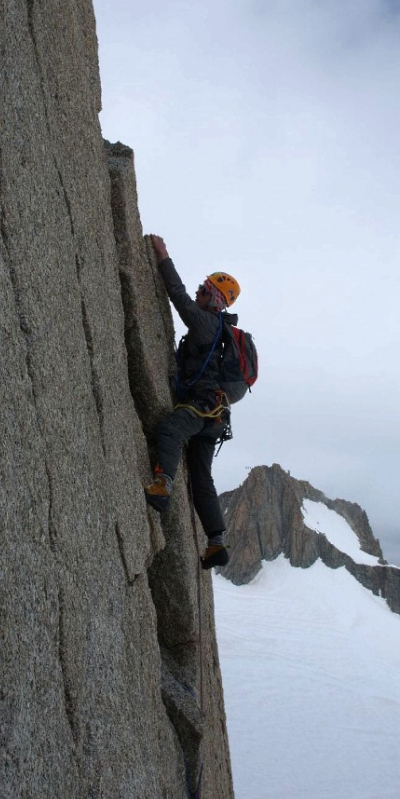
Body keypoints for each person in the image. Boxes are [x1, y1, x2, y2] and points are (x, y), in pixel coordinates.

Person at [144, 234, 241, 570]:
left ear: (213, 299)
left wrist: (163, 256)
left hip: (201, 405)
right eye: (201, 288)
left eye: (204, 289)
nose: (198, 292)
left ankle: (162, 485)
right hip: (215, 415)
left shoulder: (205, 321)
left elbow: (179, 298)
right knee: (202, 478)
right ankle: (216, 543)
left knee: (171, 429)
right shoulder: (217, 329)